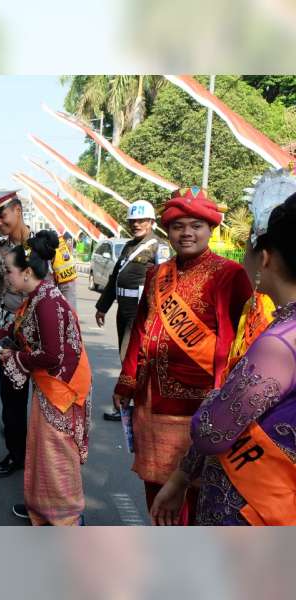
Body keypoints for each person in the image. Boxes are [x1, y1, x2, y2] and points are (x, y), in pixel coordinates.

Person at [151, 169, 296, 526]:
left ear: (265, 257)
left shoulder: (281, 342)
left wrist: (212, 401)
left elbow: (212, 429)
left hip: (252, 506)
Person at [113, 186, 252, 524]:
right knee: (154, 489)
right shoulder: (157, 274)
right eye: (178, 226)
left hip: (199, 405)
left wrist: (227, 398)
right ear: (168, 230)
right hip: (151, 401)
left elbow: (245, 339)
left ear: (211, 229)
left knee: (194, 493)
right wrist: (126, 382)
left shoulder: (229, 275)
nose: (186, 233)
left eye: (196, 225)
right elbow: (142, 332)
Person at [0, 230, 92, 525]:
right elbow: (11, 334)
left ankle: (67, 520)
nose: (7, 279)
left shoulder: (47, 304)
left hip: (62, 390)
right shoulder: (35, 299)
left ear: (27, 272)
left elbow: (52, 356)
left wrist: (12, 357)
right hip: (49, 387)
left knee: (57, 458)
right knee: (42, 452)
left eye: (9, 272)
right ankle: (43, 510)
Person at [95, 200, 165, 421]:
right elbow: (115, 277)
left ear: (152, 222)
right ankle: (131, 403)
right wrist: (102, 307)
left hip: (141, 313)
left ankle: (129, 406)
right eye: (133, 221)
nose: (136, 224)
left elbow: (164, 282)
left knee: (132, 360)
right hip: (123, 312)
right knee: (125, 358)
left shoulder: (158, 246)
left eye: (141, 220)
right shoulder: (128, 246)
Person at [0, 189, 33, 478]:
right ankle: (16, 455)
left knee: (46, 401)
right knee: (12, 399)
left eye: (2, 215)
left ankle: (44, 459)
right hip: (11, 334)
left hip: (44, 335)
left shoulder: (48, 245)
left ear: (18, 210)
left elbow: (67, 290)